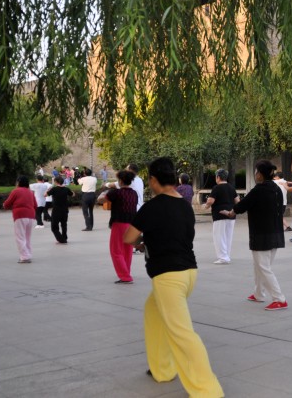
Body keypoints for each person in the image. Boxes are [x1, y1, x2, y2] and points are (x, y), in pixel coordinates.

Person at [123, 157, 224, 397]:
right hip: (188, 272)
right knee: (153, 311)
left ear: (153, 180)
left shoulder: (152, 206)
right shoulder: (184, 205)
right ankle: (162, 369)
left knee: (183, 334)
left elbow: (128, 238)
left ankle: (207, 391)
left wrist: (141, 242)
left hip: (168, 276)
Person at [222, 159, 288, 310]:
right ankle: (259, 293)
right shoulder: (276, 189)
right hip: (276, 233)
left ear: (260, 174)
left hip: (262, 234)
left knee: (263, 267)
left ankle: (279, 299)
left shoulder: (259, 190)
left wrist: (231, 212)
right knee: (260, 266)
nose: (255, 174)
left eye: (256, 171)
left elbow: (242, 205)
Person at [98, 170, 138, 283]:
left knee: (116, 250)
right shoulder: (134, 193)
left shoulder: (115, 193)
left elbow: (100, 200)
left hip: (119, 223)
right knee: (128, 250)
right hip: (132, 224)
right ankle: (126, 272)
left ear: (120, 181)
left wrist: (105, 192)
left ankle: (125, 276)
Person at [203, 169, 239, 264]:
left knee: (219, 236)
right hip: (231, 215)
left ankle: (223, 257)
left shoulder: (216, 188)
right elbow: (237, 201)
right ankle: (226, 255)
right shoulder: (231, 187)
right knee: (228, 237)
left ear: (218, 177)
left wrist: (206, 206)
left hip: (219, 215)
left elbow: (210, 201)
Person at [3, 176, 36, 263]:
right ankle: (28, 254)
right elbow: (35, 205)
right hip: (31, 216)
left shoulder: (16, 191)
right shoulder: (30, 192)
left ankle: (25, 257)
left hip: (20, 215)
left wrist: (4, 205)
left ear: (18, 182)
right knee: (27, 237)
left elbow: (7, 203)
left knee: (20, 237)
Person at [47, 176, 73, 244]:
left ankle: (61, 239)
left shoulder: (54, 189)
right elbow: (73, 194)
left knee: (54, 226)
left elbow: (45, 195)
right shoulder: (66, 189)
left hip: (56, 210)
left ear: (56, 182)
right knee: (64, 224)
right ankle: (64, 237)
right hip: (65, 209)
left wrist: (48, 190)